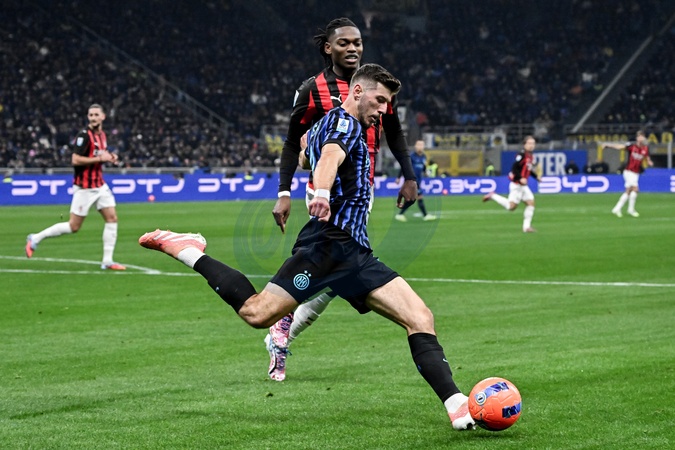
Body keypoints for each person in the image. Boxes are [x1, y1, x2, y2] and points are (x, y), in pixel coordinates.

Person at [139, 64, 475, 432]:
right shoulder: (345, 125)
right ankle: (188, 250)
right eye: (380, 100)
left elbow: (306, 155)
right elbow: (330, 156)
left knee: (420, 317)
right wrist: (323, 193)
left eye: (388, 103)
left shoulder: (325, 125)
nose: (384, 109)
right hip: (327, 247)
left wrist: (309, 160)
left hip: (355, 253)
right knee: (257, 314)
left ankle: (457, 405)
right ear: (357, 92)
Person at [267, 17, 418, 382]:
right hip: (326, 191)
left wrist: (410, 176)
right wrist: (285, 192)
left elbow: (395, 133)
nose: (353, 48)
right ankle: (280, 321)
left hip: (362, 193)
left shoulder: (377, 88)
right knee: (336, 262)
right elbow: (292, 142)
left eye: (357, 42)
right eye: (344, 43)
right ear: (328, 48)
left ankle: (281, 328)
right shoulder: (312, 89)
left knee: (339, 273)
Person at [25, 104, 125, 270]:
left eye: (96, 115)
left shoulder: (102, 135)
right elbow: (75, 159)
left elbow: (100, 153)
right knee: (73, 226)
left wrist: (110, 157)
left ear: (103, 117)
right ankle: (35, 238)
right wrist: (100, 159)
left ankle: (107, 261)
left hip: (100, 185)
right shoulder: (84, 136)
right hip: (85, 188)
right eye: (90, 115)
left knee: (112, 218)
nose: (93, 118)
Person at [482, 135, 541, 233]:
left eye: (533, 143)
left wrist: (536, 177)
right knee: (511, 207)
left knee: (530, 203)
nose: (531, 145)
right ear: (524, 144)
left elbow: (528, 170)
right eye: (529, 143)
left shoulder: (530, 156)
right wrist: (520, 178)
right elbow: (514, 168)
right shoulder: (521, 155)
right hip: (517, 185)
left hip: (523, 186)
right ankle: (493, 196)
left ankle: (526, 227)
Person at [603, 130, 653, 217]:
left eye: (642, 136)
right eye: (639, 136)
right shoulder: (632, 146)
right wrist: (608, 145)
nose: (641, 138)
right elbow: (620, 147)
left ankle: (618, 209)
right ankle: (630, 210)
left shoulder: (645, 148)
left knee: (629, 191)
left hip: (636, 173)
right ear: (637, 138)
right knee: (635, 189)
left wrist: (649, 161)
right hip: (629, 171)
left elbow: (647, 156)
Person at [395, 140, 437, 221]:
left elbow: (423, 167)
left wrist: (426, 172)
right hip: (411, 180)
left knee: (412, 199)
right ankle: (425, 215)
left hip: (418, 180)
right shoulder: (411, 156)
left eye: (422, 145)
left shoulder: (424, 156)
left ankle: (400, 214)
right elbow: (404, 166)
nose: (420, 147)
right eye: (418, 145)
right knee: (418, 197)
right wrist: (399, 177)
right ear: (415, 146)